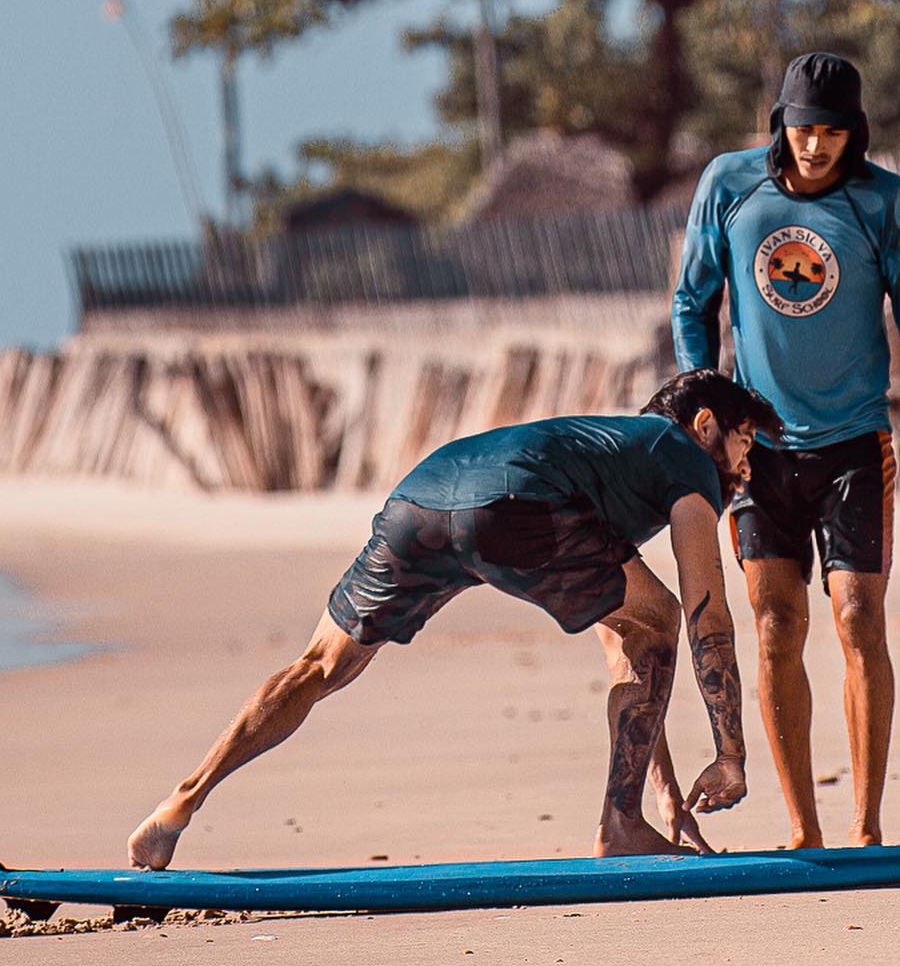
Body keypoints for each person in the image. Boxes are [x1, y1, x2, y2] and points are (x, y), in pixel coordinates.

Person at [127, 369, 785, 869]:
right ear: (703, 426)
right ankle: (618, 825)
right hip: (516, 505)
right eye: (744, 441)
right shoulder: (685, 461)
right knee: (665, 615)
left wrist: (667, 799)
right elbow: (705, 616)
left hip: (422, 496)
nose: (745, 466)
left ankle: (180, 803)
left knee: (319, 668)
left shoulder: (609, 460)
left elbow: (630, 653)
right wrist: (730, 754)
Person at [672, 51, 900, 849]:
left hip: (857, 444)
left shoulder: (882, 199)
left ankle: (866, 829)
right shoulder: (729, 186)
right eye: (803, 130)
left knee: (860, 619)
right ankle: (805, 830)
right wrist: (704, 407)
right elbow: (693, 300)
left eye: (832, 133)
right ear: (779, 124)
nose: (815, 146)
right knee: (774, 625)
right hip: (760, 453)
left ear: (853, 134)